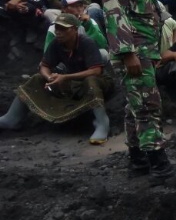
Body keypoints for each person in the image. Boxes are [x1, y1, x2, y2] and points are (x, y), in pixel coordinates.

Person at [103, 0, 176, 179]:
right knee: (147, 107)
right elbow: (115, 14)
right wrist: (127, 53)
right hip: (134, 53)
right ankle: (159, 165)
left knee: (135, 107)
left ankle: (138, 161)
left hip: (144, 51)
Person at [0, 12, 113, 144]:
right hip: (71, 84)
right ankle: (12, 118)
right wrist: (49, 77)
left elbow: (96, 70)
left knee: (91, 81)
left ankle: (102, 122)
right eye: (57, 28)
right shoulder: (56, 44)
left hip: (97, 82)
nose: (59, 32)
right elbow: (44, 66)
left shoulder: (87, 43)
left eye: (64, 29)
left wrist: (65, 77)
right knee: (37, 78)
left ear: (75, 29)